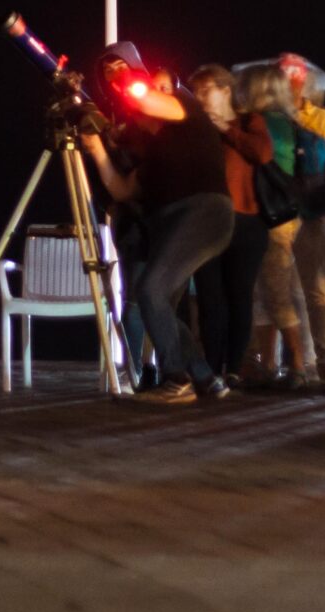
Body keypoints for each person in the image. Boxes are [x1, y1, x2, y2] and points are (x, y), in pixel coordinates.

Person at [79, 47, 235, 405]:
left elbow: (148, 102)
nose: (115, 76)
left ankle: (175, 379)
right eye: (108, 73)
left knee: (150, 291)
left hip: (202, 213)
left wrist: (127, 86)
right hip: (171, 224)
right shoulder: (150, 149)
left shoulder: (183, 106)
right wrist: (98, 151)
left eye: (122, 68)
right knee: (158, 302)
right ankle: (206, 378)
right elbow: (122, 189)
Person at [187, 64, 275, 385]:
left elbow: (263, 153)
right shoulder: (195, 127)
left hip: (246, 221)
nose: (199, 97)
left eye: (205, 90)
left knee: (239, 296)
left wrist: (226, 128)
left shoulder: (249, 121)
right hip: (206, 223)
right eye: (194, 92)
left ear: (226, 90)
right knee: (210, 299)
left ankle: (234, 368)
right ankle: (211, 369)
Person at [242, 63, 325, 389]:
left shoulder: (265, 122)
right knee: (268, 292)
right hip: (285, 215)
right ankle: (276, 364)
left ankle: (297, 365)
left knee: (276, 292)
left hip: (270, 217)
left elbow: (258, 160)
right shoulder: (288, 122)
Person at [275, 53, 325, 381]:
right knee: (303, 289)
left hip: (303, 213)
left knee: (306, 289)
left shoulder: (314, 118)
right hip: (305, 212)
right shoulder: (318, 118)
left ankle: (317, 359)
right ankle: (312, 361)